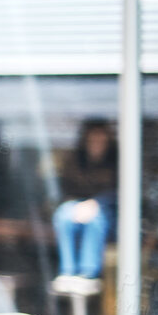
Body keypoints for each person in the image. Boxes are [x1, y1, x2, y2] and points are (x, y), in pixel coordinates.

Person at [53, 118, 118, 298]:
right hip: (77, 205)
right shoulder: (74, 161)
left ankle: (88, 274)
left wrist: (97, 202)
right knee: (63, 214)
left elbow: (123, 192)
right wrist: (78, 205)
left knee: (96, 219)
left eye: (101, 140)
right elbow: (65, 188)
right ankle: (67, 272)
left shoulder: (118, 162)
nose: (96, 144)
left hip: (108, 211)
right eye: (92, 140)